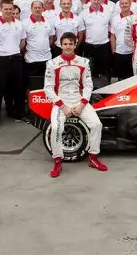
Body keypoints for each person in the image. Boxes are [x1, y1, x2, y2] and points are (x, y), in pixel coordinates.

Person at [44, 33, 106, 177]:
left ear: (75, 44)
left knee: (97, 125)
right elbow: (48, 88)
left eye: (70, 44)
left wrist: (82, 104)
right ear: (61, 45)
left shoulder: (83, 62)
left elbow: (88, 85)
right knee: (56, 128)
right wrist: (63, 106)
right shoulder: (52, 63)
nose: (68, 47)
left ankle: (93, 157)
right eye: (65, 44)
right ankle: (58, 161)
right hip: (61, 102)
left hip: (79, 101)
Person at [0, 1, 25, 131]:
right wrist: (1, 55)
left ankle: (18, 114)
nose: (8, 11)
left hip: (16, 58)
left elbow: (22, 42)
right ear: (1, 10)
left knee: (17, 88)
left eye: (10, 9)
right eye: (6, 9)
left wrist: (13, 52)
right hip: (1, 60)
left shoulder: (19, 24)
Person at [23, 0, 55, 108]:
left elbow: (51, 39)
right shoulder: (25, 23)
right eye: (35, 7)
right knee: (30, 86)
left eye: (39, 7)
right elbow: (23, 42)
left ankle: (44, 107)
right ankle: (31, 108)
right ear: (31, 9)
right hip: (31, 60)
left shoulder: (48, 22)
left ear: (43, 9)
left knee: (46, 85)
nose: (37, 9)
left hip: (46, 59)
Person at [82, 0, 113, 81]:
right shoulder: (84, 13)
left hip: (103, 46)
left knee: (104, 70)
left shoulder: (108, 12)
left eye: (98, 0)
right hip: (89, 46)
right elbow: (81, 29)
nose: (96, 2)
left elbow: (112, 27)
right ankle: (90, 91)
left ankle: (105, 91)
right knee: (90, 70)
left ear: (101, 0)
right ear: (90, 0)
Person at [109, 0, 135, 81]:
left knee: (131, 77)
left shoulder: (135, 18)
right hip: (119, 52)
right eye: (122, 3)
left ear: (130, 4)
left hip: (132, 52)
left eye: (126, 3)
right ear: (119, 5)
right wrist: (113, 50)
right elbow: (112, 35)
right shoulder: (115, 18)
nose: (124, 5)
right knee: (117, 78)